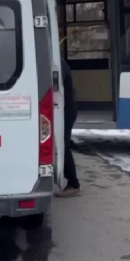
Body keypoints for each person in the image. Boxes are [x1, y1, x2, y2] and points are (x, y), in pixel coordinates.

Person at [56, 57, 80, 198]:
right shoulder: (58, 61)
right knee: (62, 144)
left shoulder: (59, 64)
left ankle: (73, 183)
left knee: (63, 145)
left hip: (66, 110)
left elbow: (56, 82)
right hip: (63, 109)